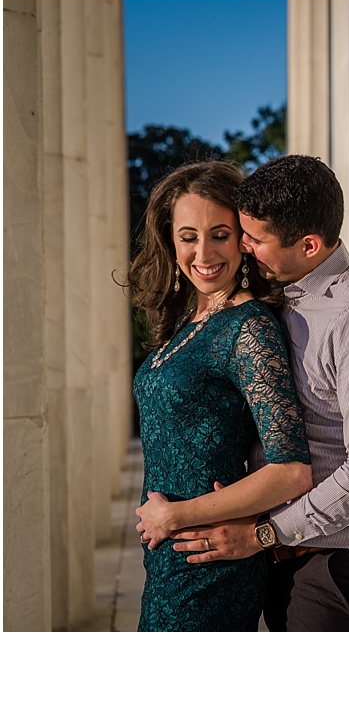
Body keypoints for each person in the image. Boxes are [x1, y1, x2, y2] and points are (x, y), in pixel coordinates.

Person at [169, 155, 349, 631]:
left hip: (347, 574)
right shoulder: (289, 292)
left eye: (255, 240)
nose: (243, 246)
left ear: (308, 245)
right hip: (293, 564)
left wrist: (264, 533)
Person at [128, 160, 313, 631]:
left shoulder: (248, 328)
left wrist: (176, 515)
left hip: (210, 559)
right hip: (171, 559)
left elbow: (291, 471)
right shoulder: (189, 321)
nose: (203, 252)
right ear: (171, 242)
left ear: (243, 240)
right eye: (188, 236)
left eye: (219, 234)